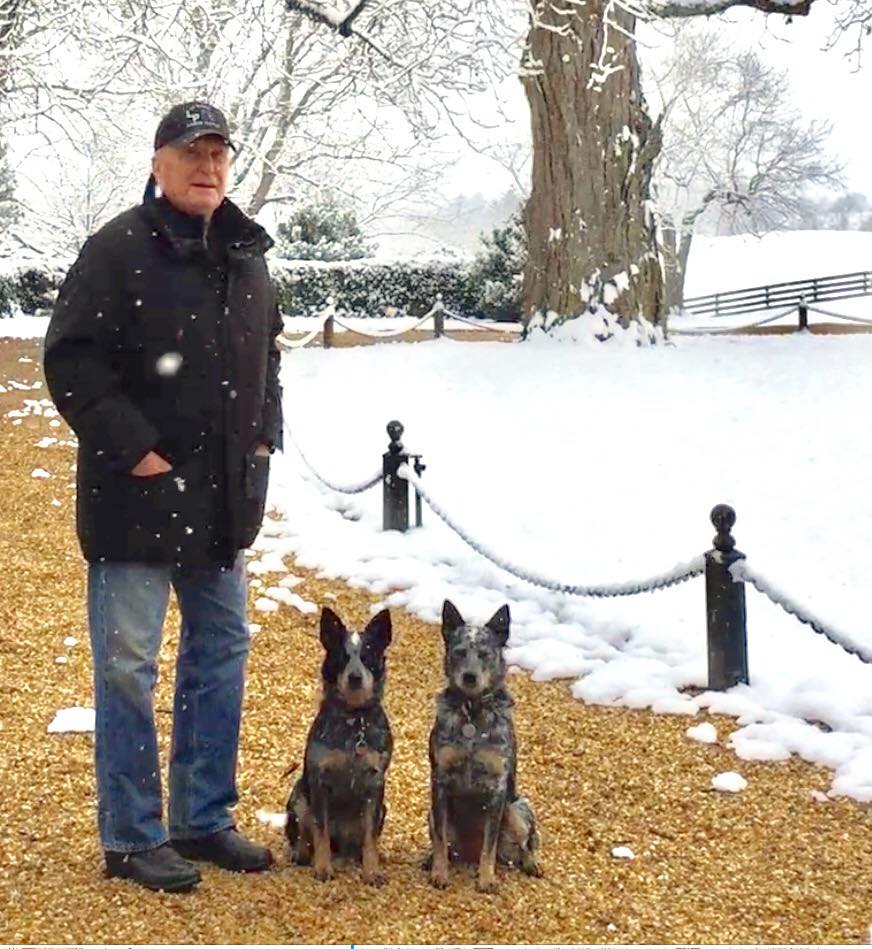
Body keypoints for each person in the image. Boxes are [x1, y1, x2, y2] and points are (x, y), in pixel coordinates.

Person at [44, 102, 284, 893]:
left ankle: (202, 817)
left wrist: (263, 438)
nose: (208, 167)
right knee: (128, 667)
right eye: (191, 153)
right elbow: (70, 360)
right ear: (158, 164)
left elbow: (268, 358)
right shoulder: (116, 250)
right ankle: (132, 834)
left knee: (220, 654)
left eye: (218, 154)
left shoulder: (247, 255)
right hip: (134, 499)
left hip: (222, 503)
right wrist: (136, 448)